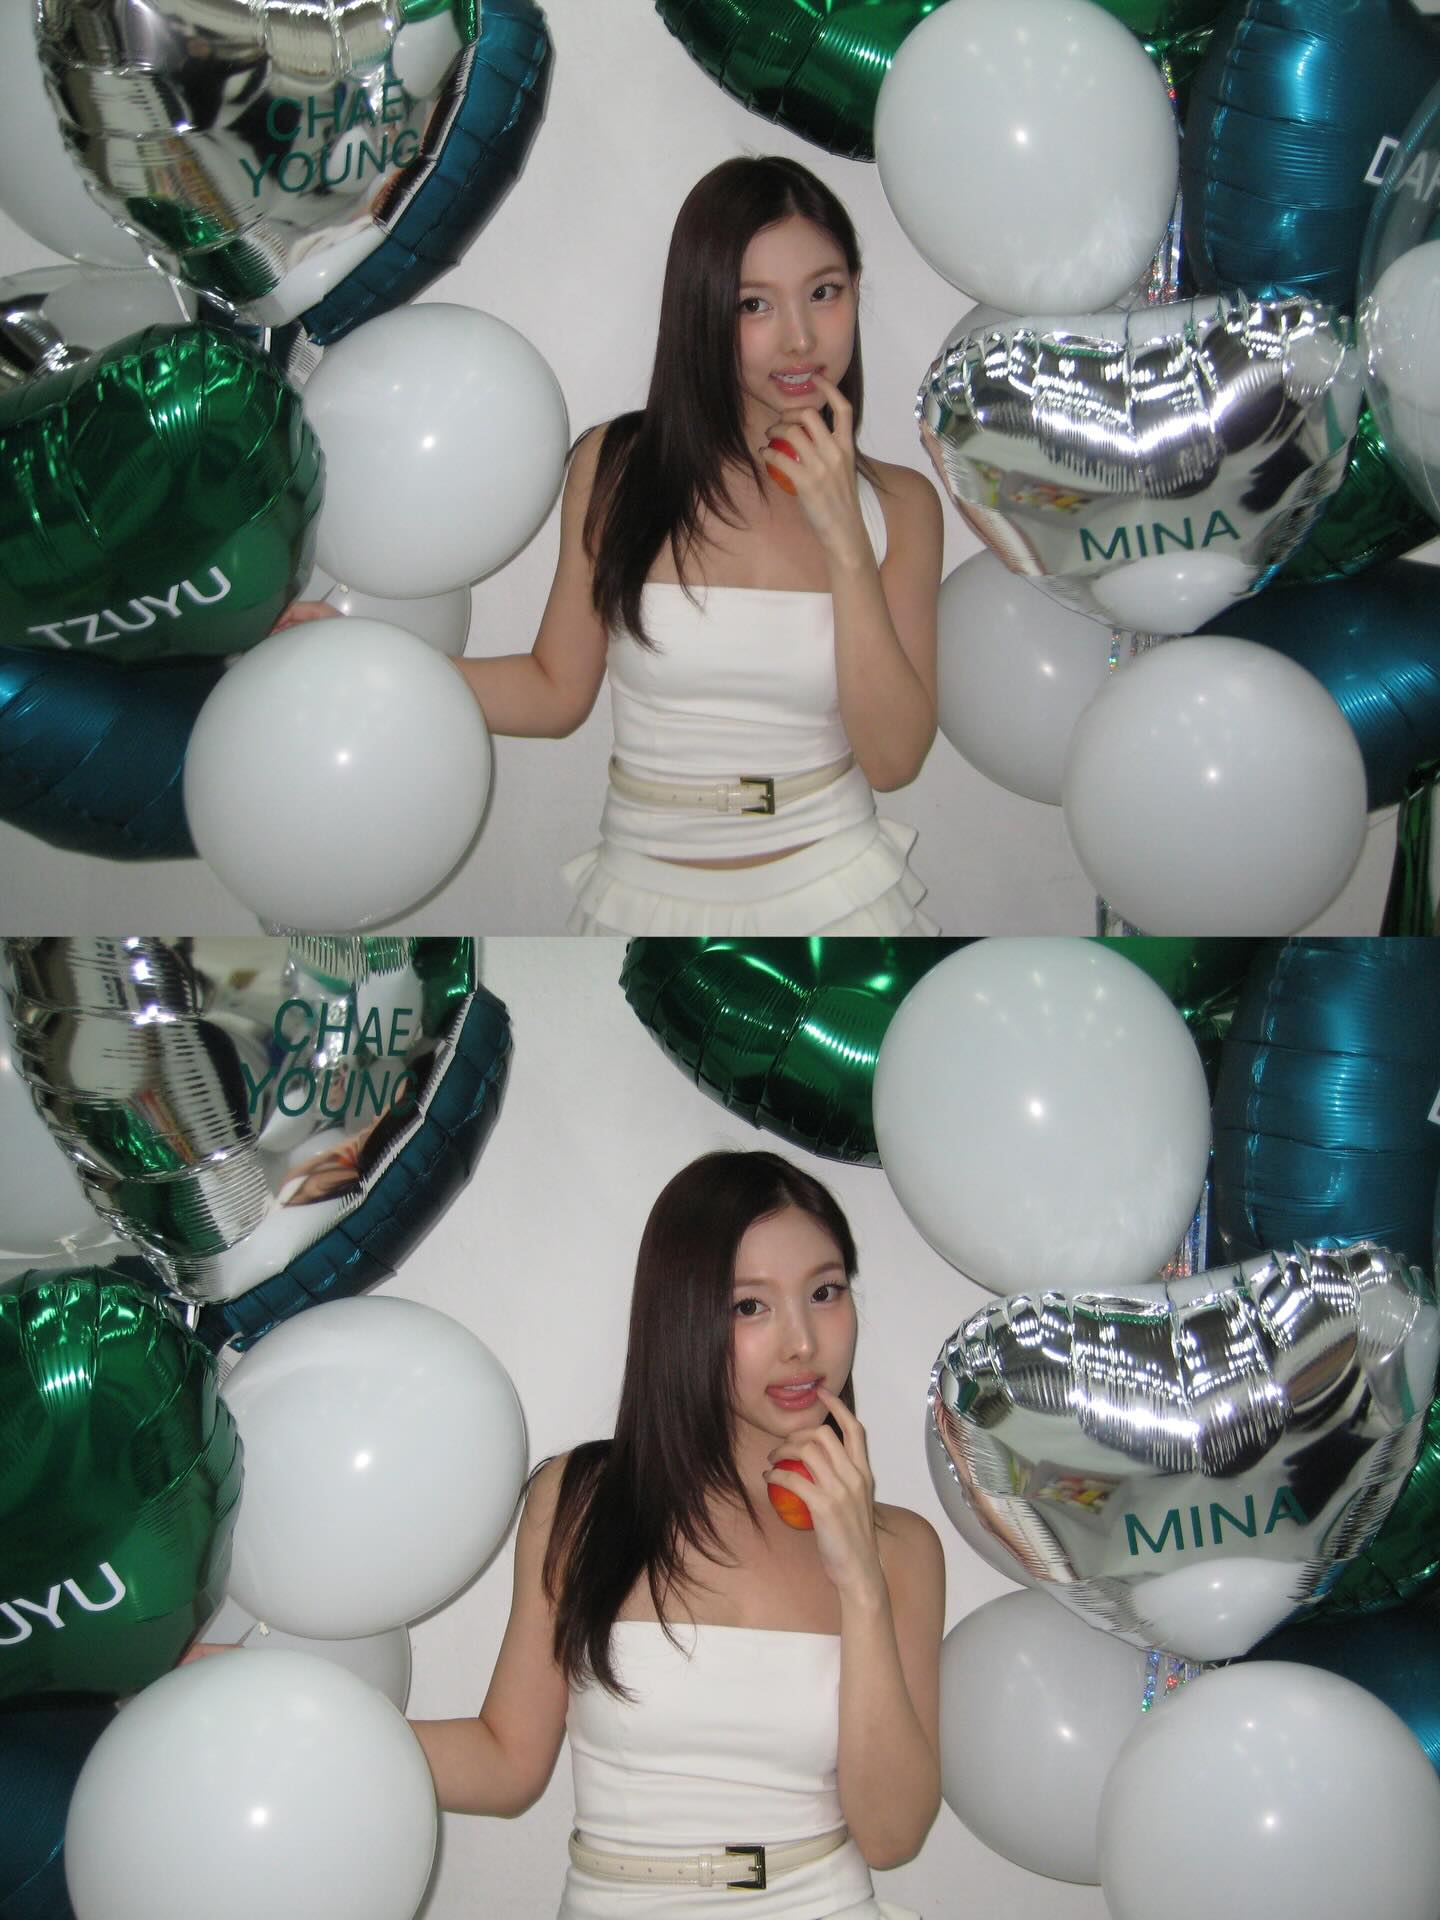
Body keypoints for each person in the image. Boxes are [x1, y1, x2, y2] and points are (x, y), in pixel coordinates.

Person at [281, 155, 944, 934]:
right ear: (702, 311)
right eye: (754, 304)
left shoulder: (901, 505)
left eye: (824, 293)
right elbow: (554, 691)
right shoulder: (618, 467)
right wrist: (364, 660)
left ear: (856, 292)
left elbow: (894, 760)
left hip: (838, 893)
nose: (800, 338)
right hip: (641, 889)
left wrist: (845, 542)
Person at [410, 1148, 946, 1916]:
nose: (802, 1341)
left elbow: (892, 1834)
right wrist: (301, 1719)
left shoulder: (902, 1549)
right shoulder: (584, 1501)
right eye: (749, 1306)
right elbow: (506, 1762)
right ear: (684, 1318)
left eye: (825, 1292)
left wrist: (859, 1579)